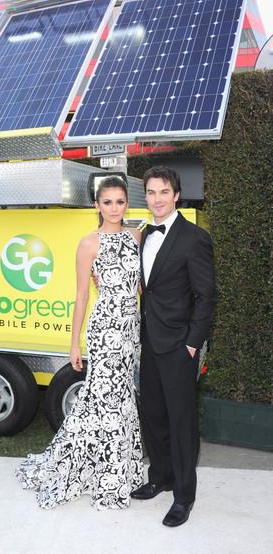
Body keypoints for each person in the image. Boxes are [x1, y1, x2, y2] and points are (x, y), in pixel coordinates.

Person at [16, 176, 144, 509]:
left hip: (131, 330)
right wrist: (74, 344)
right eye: (107, 202)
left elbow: (142, 287)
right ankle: (110, 476)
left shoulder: (136, 237)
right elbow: (82, 294)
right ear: (97, 206)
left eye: (119, 201)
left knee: (122, 396)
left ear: (126, 204)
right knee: (106, 397)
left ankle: (119, 467)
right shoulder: (89, 243)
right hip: (104, 330)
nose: (114, 208)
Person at [131, 166, 216, 527]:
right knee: (153, 415)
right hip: (149, 342)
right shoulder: (143, 234)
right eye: (151, 192)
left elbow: (207, 296)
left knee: (181, 423)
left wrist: (192, 345)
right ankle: (161, 477)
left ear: (176, 195)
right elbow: (147, 289)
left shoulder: (193, 238)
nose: (157, 199)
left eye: (164, 192)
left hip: (180, 346)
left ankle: (184, 496)